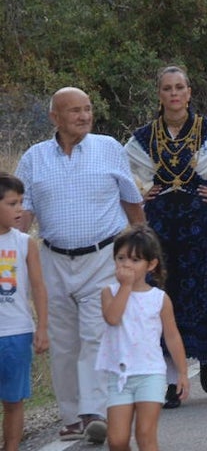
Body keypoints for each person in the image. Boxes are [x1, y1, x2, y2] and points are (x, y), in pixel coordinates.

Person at [16, 87, 146, 445]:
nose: (84, 116)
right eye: (74, 111)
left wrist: (144, 247)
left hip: (102, 257)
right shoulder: (33, 158)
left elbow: (132, 202)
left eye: (87, 109)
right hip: (52, 260)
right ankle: (72, 415)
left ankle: (94, 412)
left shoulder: (108, 148)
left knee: (95, 333)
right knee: (62, 341)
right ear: (54, 118)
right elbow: (22, 212)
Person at [125, 66, 207, 406]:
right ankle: (170, 380)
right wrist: (142, 191)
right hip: (161, 224)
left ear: (189, 92)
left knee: (204, 291)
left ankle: (204, 358)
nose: (174, 94)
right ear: (159, 94)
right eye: (167, 88)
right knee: (162, 294)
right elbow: (126, 172)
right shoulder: (144, 136)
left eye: (179, 88)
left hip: (200, 223)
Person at [96, 225, 188, 451]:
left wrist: (182, 373)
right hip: (120, 376)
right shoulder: (109, 292)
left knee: (145, 435)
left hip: (151, 373)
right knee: (117, 440)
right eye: (121, 258)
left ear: (151, 264)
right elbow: (112, 318)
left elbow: (172, 337)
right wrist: (125, 287)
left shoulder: (159, 298)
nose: (126, 264)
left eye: (135, 260)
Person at [0, 174, 49, 451]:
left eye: (21, 202)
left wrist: (42, 327)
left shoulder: (24, 243)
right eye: (12, 203)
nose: (19, 209)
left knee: (13, 400)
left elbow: (39, 287)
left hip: (16, 332)